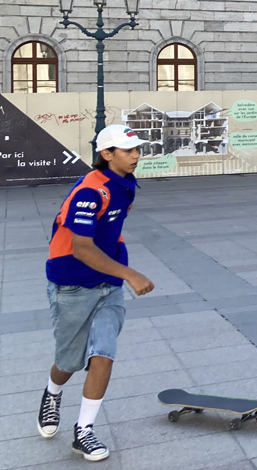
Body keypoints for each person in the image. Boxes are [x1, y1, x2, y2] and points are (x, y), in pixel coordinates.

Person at [39, 125, 155, 461]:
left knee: (103, 354)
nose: (136, 156)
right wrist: (130, 273)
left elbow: (112, 230)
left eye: (137, 150)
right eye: (127, 150)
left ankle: (84, 431)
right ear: (107, 154)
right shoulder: (90, 191)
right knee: (69, 362)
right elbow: (81, 249)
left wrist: (118, 270)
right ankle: (52, 392)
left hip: (108, 285)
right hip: (71, 283)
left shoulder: (126, 185)